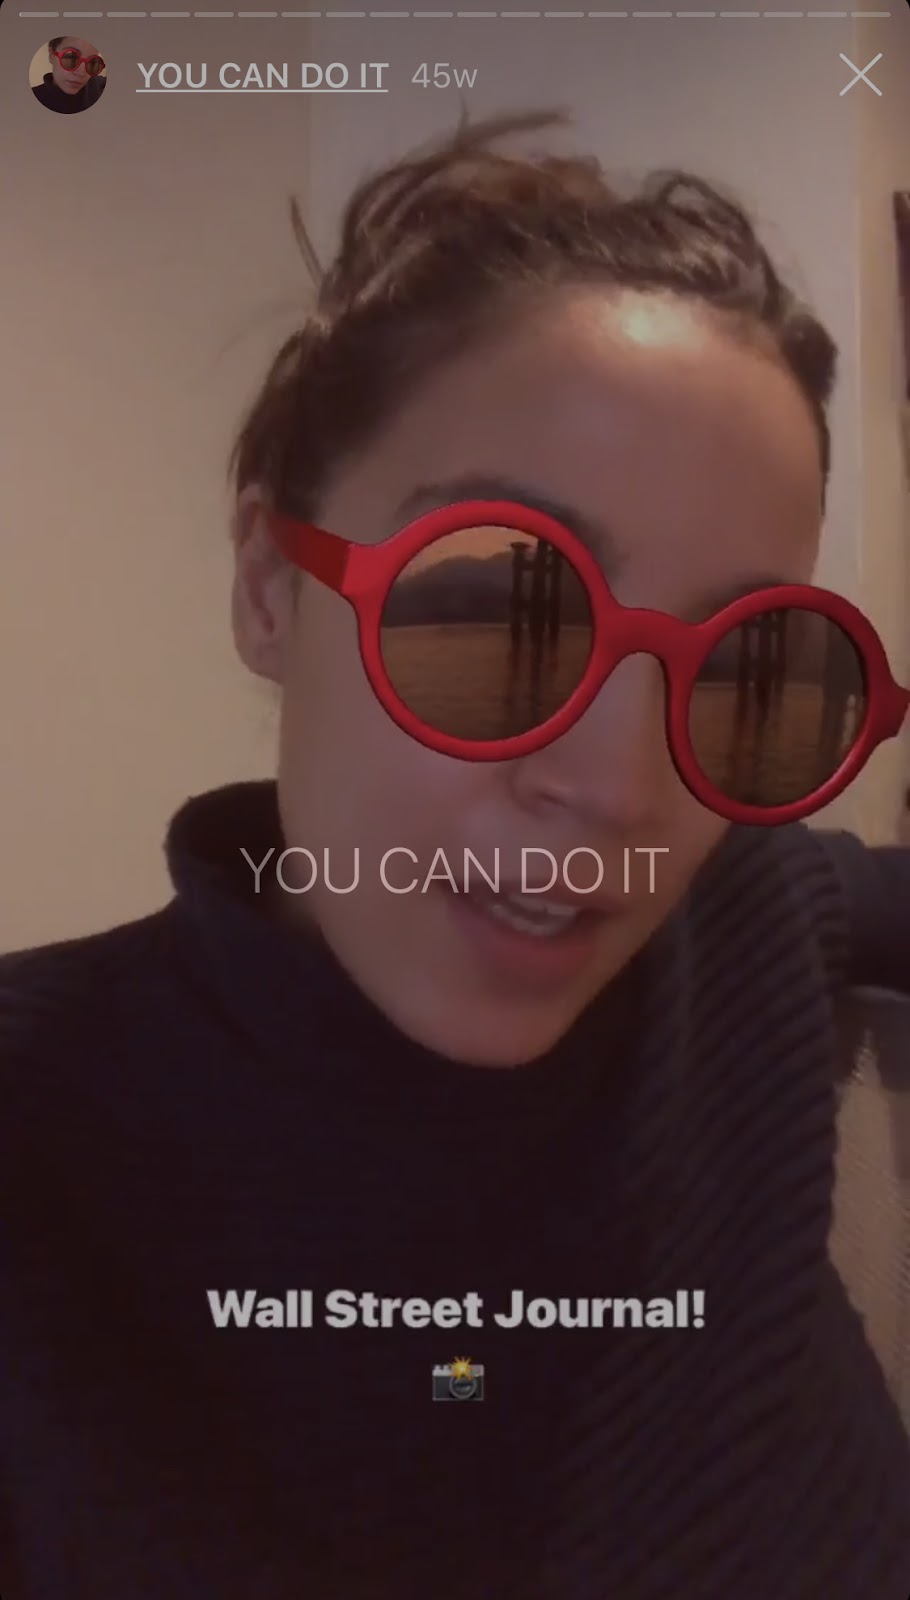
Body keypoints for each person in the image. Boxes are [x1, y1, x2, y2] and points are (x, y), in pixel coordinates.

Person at [1, 109, 908, 1600]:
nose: (616, 788)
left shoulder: (741, 916)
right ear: (270, 587)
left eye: (744, 668)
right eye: (494, 612)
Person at [32, 36, 106, 115]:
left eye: (92, 62)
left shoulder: (98, 87)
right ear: (51, 56)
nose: (82, 73)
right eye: (71, 58)